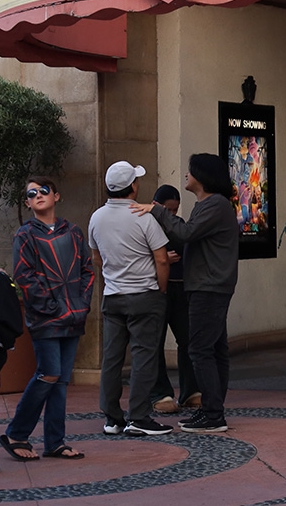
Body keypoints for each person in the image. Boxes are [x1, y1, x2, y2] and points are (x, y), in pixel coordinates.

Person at [138, 153, 240, 433]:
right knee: (215, 348)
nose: (186, 175)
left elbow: (186, 233)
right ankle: (212, 409)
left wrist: (157, 210)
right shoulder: (211, 204)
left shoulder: (214, 205)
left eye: (190, 171)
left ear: (203, 177)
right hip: (210, 285)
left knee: (200, 348)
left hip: (209, 287)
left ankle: (212, 413)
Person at [0, 176, 94, 462]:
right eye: (31, 193)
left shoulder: (74, 232)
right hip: (47, 319)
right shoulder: (25, 235)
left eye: (43, 191)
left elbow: (88, 270)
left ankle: (55, 441)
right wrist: (52, 307)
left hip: (73, 317)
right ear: (27, 202)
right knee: (48, 374)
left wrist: (82, 304)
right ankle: (17, 433)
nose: (38, 195)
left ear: (56, 196)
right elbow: (24, 276)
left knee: (61, 381)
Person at [88, 161, 172, 437]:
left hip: (113, 296)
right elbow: (162, 259)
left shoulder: (96, 217)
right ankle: (138, 416)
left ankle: (112, 417)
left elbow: (96, 257)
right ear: (132, 187)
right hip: (144, 295)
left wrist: (114, 276)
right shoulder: (143, 217)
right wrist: (160, 290)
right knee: (144, 356)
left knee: (112, 358)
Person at [148, 184, 200, 414]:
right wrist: (159, 259)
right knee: (155, 342)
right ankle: (160, 392)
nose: (172, 215)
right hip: (157, 288)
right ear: (156, 205)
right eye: (168, 210)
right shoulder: (146, 223)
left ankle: (190, 390)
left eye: (175, 210)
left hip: (180, 287)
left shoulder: (178, 227)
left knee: (188, 339)